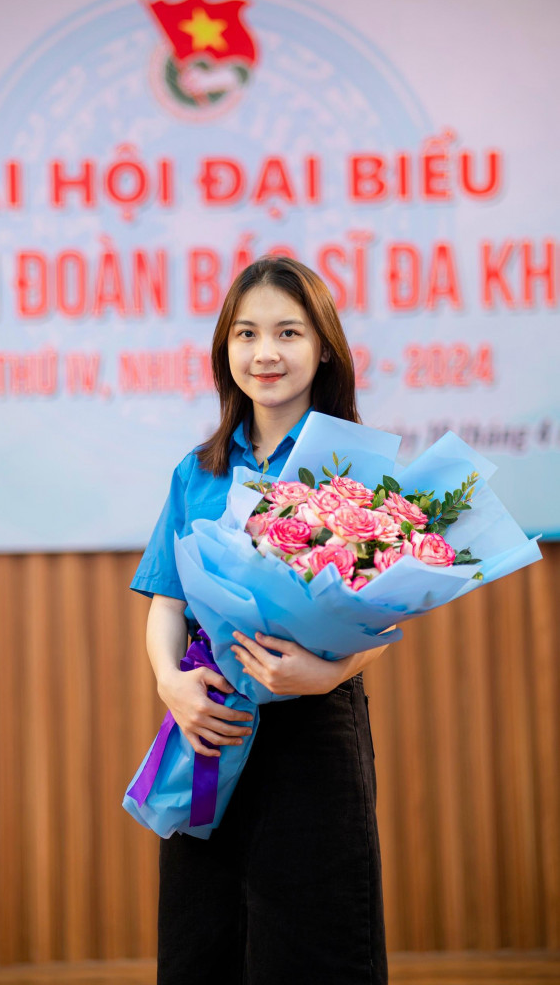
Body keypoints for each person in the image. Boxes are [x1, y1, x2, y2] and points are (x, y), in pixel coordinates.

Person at [130, 255, 391, 984]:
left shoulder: (354, 466)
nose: (265, 352)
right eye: (246, 334)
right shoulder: (199, 470)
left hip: (313, 727)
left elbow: (383, 615)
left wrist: (328, 673)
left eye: (287, 332)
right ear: (226, 350)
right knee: (201, 944)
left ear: (324, 348)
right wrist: (170, 683)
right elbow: (166, 600)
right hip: (209, 720)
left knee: (316, 949)